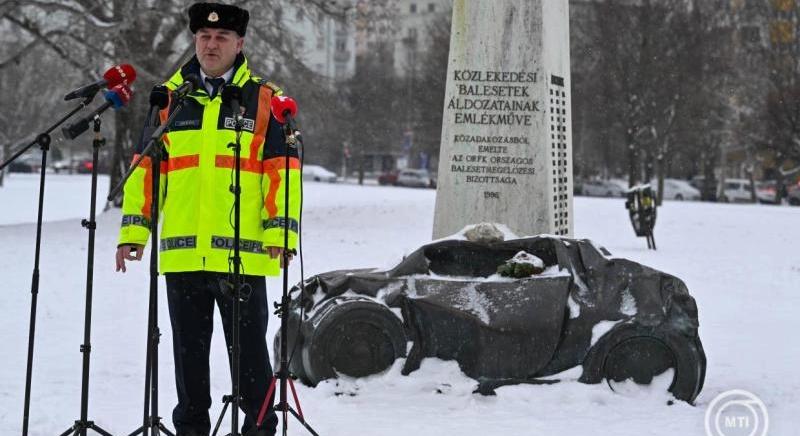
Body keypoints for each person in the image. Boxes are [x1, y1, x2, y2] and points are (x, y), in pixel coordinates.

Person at [115, 3, 301, 435]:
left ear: (239, 44)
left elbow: (283, 171)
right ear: (195, 41)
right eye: (204, 37)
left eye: (220, 38)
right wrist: (133, 231)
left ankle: (258, 428)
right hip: (182, 254)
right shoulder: (170, 98)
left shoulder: (264, 99)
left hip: (243, 254)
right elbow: (146, 169)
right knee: (188, 359)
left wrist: (281, 230)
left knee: (251, 359)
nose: (211, 44)